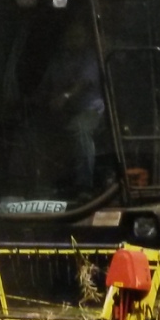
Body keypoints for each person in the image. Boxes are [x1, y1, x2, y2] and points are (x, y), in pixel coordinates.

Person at [35, 20, 105, 194]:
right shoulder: (58, 60)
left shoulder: (91, 57)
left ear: (86, 38)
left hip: (90, 110)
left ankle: (84, 185)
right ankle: (41, 184)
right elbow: (46, 85)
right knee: (35, 129)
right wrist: (37, 99)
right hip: (63, 112)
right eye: (71, 37)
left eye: (79, 37)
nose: (75, 40)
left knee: (80, 129)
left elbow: (84, 82)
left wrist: (65, 96)